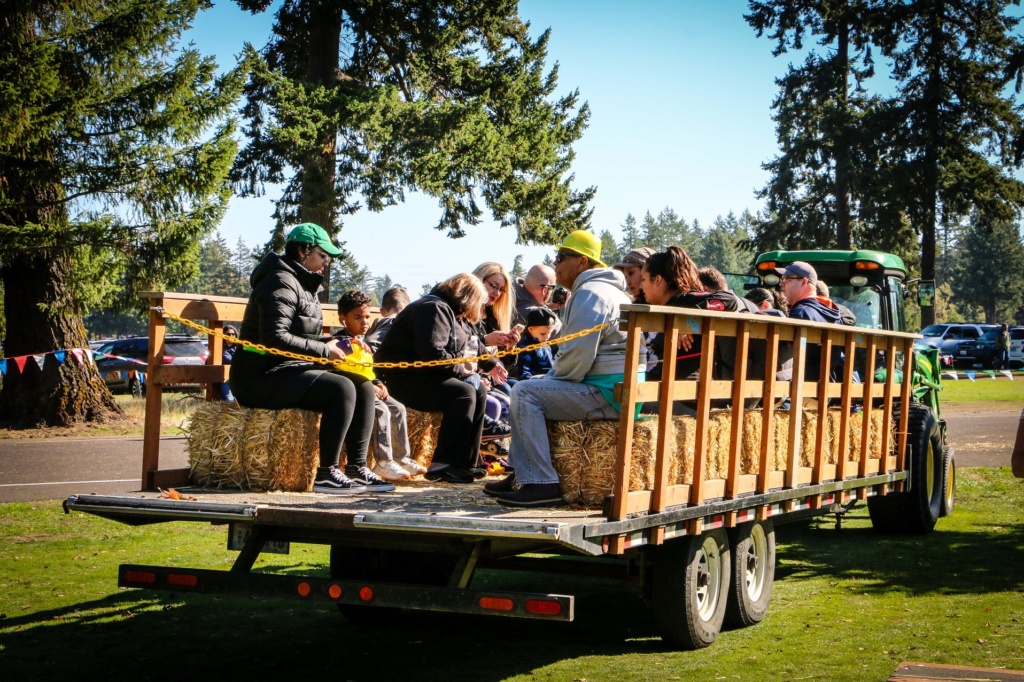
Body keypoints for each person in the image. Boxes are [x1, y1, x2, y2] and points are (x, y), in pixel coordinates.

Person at [229, 223, 394, 494]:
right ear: (304, 251)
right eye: (323, 256)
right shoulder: (278, 281)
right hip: (259, 376)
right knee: (340, 388)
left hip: (287, 370)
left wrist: (334, 343)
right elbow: (274, 338)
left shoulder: (302, 284)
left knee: (363, 386)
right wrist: (324, 350)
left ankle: (356, 467)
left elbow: (299, 337)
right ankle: (327, 473)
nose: (325, 264)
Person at [488, 230, 643, 507]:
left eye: (561, 257)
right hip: (618, 389)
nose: (556, 263)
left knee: (524, 393)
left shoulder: (591, 294)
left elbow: (578, 355)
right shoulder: (606, 291)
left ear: (582, 262)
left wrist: (549, 379)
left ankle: (541, 483)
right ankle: (519, 475)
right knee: (533, 386)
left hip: (609, 392)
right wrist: (548, 379)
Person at [375, 273, 491, 484]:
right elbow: (432, 353)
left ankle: (468, 462)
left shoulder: (451, 312)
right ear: (468, 298)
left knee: (479, 390)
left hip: (421, 374)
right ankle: (444, 464)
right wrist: (461, 369)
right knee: (462, 393)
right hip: (399, 379)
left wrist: (485, 365)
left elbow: (468, 343)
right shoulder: (433, 308)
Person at [335, 290, 426, 480]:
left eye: (367, 317)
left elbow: (367, 369)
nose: (364, 322)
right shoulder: (339, 341)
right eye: (357, 317)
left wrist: (377, 382)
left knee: (398, 408)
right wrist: (369, 385)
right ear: (342, 318)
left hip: (369, 385)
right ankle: (383, 461)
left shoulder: (363, 342)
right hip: (356, 390)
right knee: (381, 411)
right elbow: (340, 365)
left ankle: (401, 458)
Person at [776, 261, 851, 382]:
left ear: (804, 282)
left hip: (802, 387)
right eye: (782, 279)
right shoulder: (834, 313)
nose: (781, 284)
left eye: (787, 279)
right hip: (826, 385)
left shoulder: (800, 312)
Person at [513, 264, 561, 336]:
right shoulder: (537, 315)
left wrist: (549, 307)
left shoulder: (507, 297)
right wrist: (570, 307)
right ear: (544, 290)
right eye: (552, 288)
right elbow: (567, 337)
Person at [512, 306, 557, 380]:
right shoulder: (526, 347)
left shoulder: (545, 344)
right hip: (535, 382)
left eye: (550, 333)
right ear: (530, 329)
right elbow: (523, 372)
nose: (547, 337)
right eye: (543, 334)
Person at [364, 287, 410, 352]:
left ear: (382, 311)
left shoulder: (381, 323)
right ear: (408, 310)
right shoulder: (407, 325)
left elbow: (370, 344)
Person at [217, 325, 239, 401]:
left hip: (238, 379)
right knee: (230, 400)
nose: (231, 336)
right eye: (228, 334)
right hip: (225, 380)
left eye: (233, 334)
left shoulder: (240, 348)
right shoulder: (219, 348)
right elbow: (208, 361)